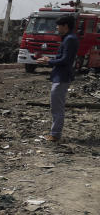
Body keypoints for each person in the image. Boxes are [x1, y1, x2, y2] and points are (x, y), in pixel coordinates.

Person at [37, 14, 79, 143]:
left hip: (62, 76)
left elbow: (65, 60)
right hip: (60, 76)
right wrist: (50, 60)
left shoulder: (70, 39)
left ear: (65, 26)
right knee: (56, 106)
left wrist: (49, 61)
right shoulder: (68, 38)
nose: (57, 28)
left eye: (58, 25)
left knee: (57, 107)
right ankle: (54, 133)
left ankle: (55, 135)